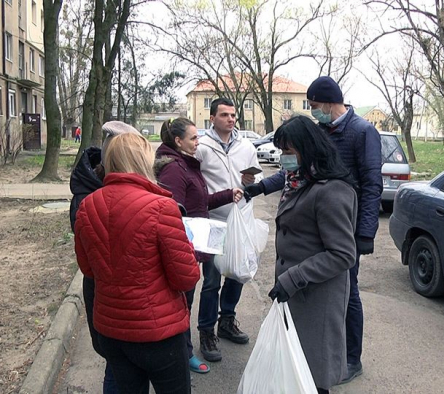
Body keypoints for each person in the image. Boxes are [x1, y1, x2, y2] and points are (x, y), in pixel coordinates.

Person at [245, 76, 383, 383]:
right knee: (297, 369)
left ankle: (350, 358)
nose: (283, 158)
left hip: (323, 268)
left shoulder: (360, 134)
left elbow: (372, 184)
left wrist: (365, 233)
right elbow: (287, 174)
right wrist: (260, 188)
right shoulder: (306, 165)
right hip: (299, 285)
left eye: (315, 104)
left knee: (347, 302)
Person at [74, 131, 200, 394]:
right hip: (159, 335)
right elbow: (186, 277)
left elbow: (88, 269)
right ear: (144, 160)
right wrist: (187, 245)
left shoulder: (87, 206)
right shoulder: (162, 207)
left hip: (112, 332)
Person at [267, 116, 358, 394]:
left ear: (308, 149)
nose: (283, 159)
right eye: (281, 151)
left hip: (315, 298)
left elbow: (342, 254)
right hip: (294, 295)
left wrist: (293, 278)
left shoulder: (331, 190)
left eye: (288, 151)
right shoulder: (299, 181)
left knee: (312, 379)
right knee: (294, 375)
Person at [154, 117, 244, 374]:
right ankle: (182, 355)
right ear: (178, 141)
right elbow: (173, 213)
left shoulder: (186, 164)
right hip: (185, 248)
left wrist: (228, 194)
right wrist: (185, 249)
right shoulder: (174, 168)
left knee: (185, 301)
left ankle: (182, 352)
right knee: (182, 304)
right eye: (193, 138)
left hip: (194, 243)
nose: (198, 142)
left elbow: (199, 201)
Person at [69, 121, 139, 394]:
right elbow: (87, 256)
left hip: (130, 291)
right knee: (117, 364)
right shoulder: (87, 196)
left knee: (125, 364)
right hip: (107, 292)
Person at [194, 98, 262, 362]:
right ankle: (206, 331)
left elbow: (260, 178)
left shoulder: (246, 145)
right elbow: (194, 181)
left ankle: (227, 320)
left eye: (233, 115)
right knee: (211, 280)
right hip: (213, 220)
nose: (231, 119)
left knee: (236, 273)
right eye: (224, 115)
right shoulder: (202, 147)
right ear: (212, 118)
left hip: (240, 220)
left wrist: (252, 180)